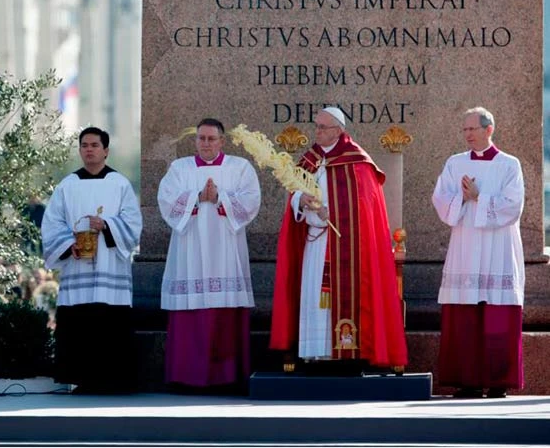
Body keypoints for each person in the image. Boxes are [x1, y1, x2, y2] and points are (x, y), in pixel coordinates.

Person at [270, 107, 407, 373]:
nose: (318, 132)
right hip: (314, 243)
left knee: (343, 300)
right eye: (317, 126)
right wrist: (302, 200)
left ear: (339, 131)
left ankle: (347, 353)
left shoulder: (357, 162)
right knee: (313, 296)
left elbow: (366, 208)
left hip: (348, 249)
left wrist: (334, 212)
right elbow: (294, 196)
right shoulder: (309, 160)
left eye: (323, 127)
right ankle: (314, 353)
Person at [157, 118, 260, 392]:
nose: (205, 143)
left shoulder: (239, 168)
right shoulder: (180, 168)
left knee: (223, 314)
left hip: (226, 251)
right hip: (189, 250)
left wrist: (219, 198)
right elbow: (166, 201)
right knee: (191, 313)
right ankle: (187, 376)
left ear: (222, 141)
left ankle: (226, 377)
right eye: (201, 138)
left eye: (211, 139)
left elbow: (251, 202)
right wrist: (197, 197)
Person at [431, 107, 525, 398]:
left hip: (498, 248)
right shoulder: (455, 163)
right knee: (464, 314)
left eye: (473, 128)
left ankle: (498, 382)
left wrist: (478, 197)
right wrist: (462, 197)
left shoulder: (510, 164)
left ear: (489, 130)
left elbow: (513, 205)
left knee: (497, 315)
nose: (468, 134)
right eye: (465, 129)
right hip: (466, 246)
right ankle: (466, 380)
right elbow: (441, 198)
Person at [42, 127, 142, 394]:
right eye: (84, 145)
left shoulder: (119, 184)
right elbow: (52, 224)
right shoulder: (67, 185)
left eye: (94, 145)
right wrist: (68, 243)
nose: (89, 149)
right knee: (81, 323)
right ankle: (82, 380)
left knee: (110, 322)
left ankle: (114, 380)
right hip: (79, 269)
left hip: (110, 266)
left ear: (106, 151)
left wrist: (107, 225)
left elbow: (133, 224)